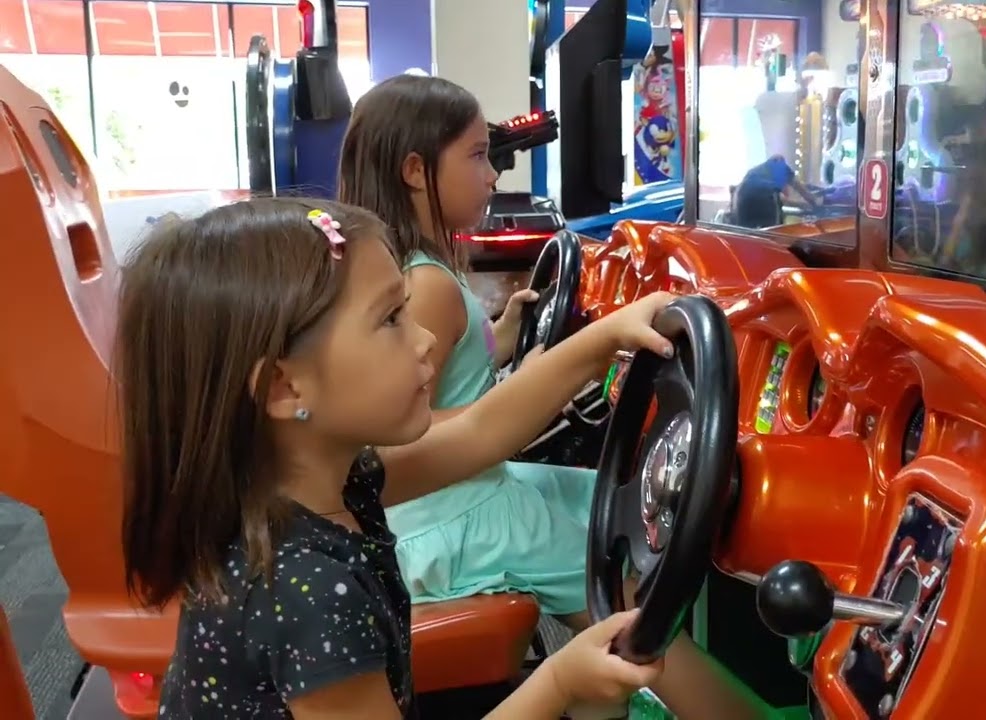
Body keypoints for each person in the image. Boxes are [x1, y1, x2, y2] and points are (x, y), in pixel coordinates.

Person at [116, 198, 676, 719]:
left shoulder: (331, 485)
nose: (427, 339)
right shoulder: (304, 590)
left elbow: (482, 430)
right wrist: (559, 684)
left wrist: (603, 340)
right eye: (391, 320)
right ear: (284, 389)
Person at [337, 75, 774, 720]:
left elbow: (455, 377)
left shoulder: (429, 267)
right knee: (633, 595)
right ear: (413, 170)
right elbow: (419, 427)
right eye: (478, 155)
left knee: (601, 493)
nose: (493, 176)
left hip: (461, 493)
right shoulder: (426, 283)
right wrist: (542, 380)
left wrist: (510, 336)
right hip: (456, 512)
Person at [731, 154, 821, 229]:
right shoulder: (781, 166)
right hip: (763, 198)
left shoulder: (754, 172)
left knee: (749, 234)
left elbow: (782, 199)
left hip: (742, 201)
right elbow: (801, 191)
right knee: (774, 232)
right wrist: (814, 204)